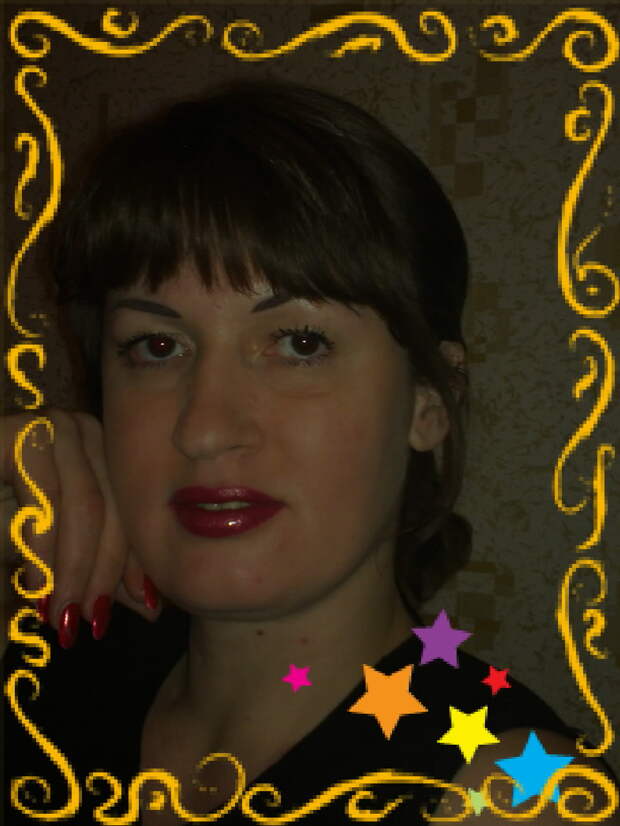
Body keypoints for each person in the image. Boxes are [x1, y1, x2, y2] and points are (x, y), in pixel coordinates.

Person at [2, 80, 618, 826]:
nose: (205, 428)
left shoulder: (519, 792)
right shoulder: (40, 676)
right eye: (156, 347)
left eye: (300, 343)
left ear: (429, 401)